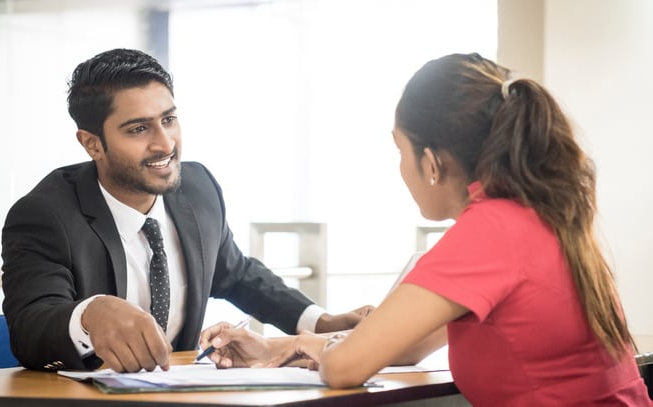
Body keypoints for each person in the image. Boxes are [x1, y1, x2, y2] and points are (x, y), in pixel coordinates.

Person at [199, 53, 651, 405]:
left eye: (400, 150)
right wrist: (280, 348)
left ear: (433, 163)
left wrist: (313, 350)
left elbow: (346, 368)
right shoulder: (534, 216)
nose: (400, 167)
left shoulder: (487, 232)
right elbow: (407, 347)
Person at [1, 48, 372, 374]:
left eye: (168, 119)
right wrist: (89, 315)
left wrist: (321, 322)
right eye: (138, 129)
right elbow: (30, 326)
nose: (164, 144)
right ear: (92, 144)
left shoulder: (198, 188)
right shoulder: (45, 215)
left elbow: (238, 275)